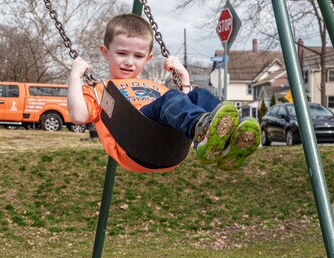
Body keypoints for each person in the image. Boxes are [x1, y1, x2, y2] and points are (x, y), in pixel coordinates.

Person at [68, 13, 260, 172]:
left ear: (148, 58)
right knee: (170, 98)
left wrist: (184, 77)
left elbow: (181, 107)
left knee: (197, 95)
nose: (129, 61)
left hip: (170, 147)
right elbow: (78, 116)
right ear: (105, 52)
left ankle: (229, 142)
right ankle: (201, 130)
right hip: (136, 143)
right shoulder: (100, 89)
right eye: (122, 53)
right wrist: (75, 77)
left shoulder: (155, 87)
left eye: (138, 56)